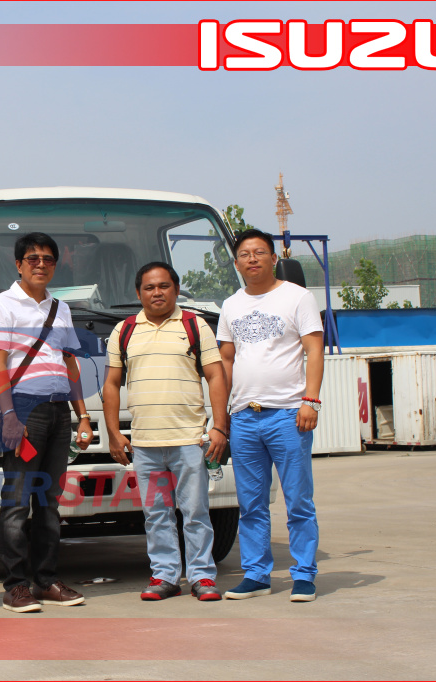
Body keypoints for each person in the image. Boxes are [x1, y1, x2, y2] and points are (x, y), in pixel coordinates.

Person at [102, 262, 230, 602]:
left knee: (196, 512)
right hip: (145, 445)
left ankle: (202, 576)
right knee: (156, 515)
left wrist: (219, 426)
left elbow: (216, 376)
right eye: (149, 287)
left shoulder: (193, 325)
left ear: (175, 289)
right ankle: (165, 575)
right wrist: (114, 432)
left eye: (163, 286)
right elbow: (112, 383)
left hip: (189, 441)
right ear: (138, 292)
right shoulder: (125, 330)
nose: (156, 292)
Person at [0, 232, 92, 613]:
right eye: (32, 258)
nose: (40, 264)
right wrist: (10, 415)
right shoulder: (1, 305)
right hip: (24, 409)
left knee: (49, 501)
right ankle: (15, 586)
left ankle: (46, 580)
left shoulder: (60, 308)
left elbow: (70, 363)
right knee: (15, 502)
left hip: (59, 409)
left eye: (47, 258)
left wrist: (83, 416)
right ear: (18, 264)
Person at [216, 228, 324, 603]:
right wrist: (223, 413)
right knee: (250, 503)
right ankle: (257, 574)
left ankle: (304, 575)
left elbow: (314, 349)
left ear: (274, 258)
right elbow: (226, 360)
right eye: (245, 254)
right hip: (245, 415)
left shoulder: (298, 297)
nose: (252, 259)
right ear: (236, 263)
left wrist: (311, 400)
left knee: (298, 500)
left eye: (260, 252)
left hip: (289, 415)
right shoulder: (230, 305)